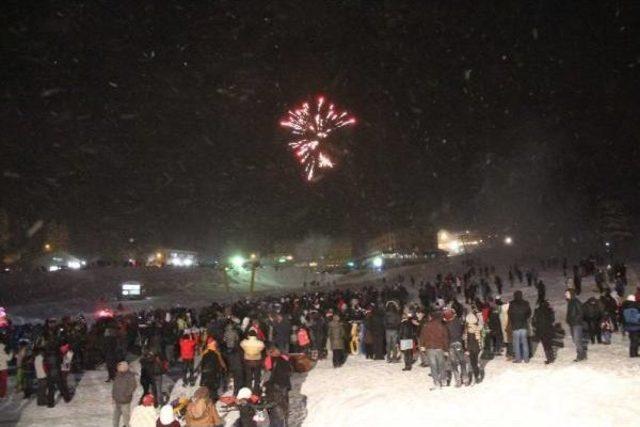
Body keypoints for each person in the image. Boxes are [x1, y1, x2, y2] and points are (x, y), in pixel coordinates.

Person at [419, 310, 449, 390]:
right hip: (440, 348)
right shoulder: (442, 326)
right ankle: (443, 380)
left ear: (431, 317)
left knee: (433, 366)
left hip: (430, 348)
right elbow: (445, 338)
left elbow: (422, 336)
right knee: (441, 365)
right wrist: (446, 349)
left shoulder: (426, 325)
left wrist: (422, 346)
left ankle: (436, 382)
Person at [264, 347, 292, 427]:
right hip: (285, 385)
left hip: (275, 387)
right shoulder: (284, 358)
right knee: (284, 405)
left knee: (275, 408)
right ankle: (285, 423)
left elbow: (267, 371)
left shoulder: (269, 359)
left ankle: (277, 424)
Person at [443, 308, 465, 386]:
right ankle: (465, 378)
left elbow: (445, 336)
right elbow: (462, 330)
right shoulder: (458, 321)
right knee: (462, 361)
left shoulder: (446, 325)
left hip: (450, 344)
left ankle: (458, 381)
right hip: (458, 342)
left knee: (454, 363)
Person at [508, 290, 531, 363]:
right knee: (525, 342)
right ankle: (526, 359)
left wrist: (513, 320)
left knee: (516, 343)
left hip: (515, 326)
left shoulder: (512, 304)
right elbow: (529, 313)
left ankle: (518, 359)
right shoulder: (526, 303)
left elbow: (509, 314)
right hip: (524, 325)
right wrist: (525, 317)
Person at [113, 361, 138, 427]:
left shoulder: (130, 376)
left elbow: (133, 386)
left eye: (119, 366)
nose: (118, 368)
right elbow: (115, 386)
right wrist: (114, 395)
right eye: (118, 366)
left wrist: (126, 395)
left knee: (126, 418)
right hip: (117, 400)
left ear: (124, 367)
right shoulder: (118, 374)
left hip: (125, 401)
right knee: (116, 417)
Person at [566, 289, 587, 361]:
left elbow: (581, 313)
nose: (565, 295)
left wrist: (575, 319)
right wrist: (568, 320)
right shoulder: (570, 302)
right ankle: (582, 354)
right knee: (575, 340)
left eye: (567, 293)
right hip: (572, 324)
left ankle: (581, 356)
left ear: (571, 294)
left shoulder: (576, 302)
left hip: (577, 324)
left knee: (577, 340)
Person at [532, 300, 556, 364]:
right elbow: (553, 320)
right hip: (549, 329)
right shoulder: (550, 310)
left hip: (541, 330)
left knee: (545, 345)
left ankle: (549, 359)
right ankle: (552, 358)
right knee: (549, 344)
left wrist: (536, 326)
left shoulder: (537, 311)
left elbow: (533, 321)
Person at [464, 311, 484, 384]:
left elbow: (465, 340)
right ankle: (477, 376)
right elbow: (482, 323)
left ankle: (471, 377)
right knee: (477, 362)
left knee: (471, 363)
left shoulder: (466, 329)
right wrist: (480, 316)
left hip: (470, 348)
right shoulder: (478, 328)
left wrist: (466, 349)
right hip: (477, 347)